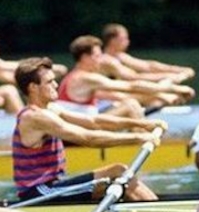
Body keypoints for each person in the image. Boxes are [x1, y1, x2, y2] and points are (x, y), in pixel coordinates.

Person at [13, 56, 163, 203]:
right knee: (118, 173)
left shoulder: (51, 109)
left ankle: (152, 208)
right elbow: (87, 138)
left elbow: (94, 121)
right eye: (50, 82)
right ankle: (156, 211)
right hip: (38, 193)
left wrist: (142, 124)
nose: (56, 85)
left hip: (53, 185)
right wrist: (138, 138)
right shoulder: (34, 117)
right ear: (33, 87)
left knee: (120, 175)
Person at [58, 35, 194, 118]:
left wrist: (163, 92)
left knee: (132, 102)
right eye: (97, 56)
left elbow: (147, 67)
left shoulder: (77, 76)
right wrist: (175, 89)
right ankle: (141, 142)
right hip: (82, 129)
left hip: (87, 121)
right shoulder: (84, 78)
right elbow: (131, 85)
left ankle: (139, 135)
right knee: (130, 105)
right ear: (85, 57)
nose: (100, 60)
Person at [100, 23, 195, 83]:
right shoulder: (106, 60)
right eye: (124, 38)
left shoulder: (121, 56)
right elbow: (134, 77)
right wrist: (170, 76)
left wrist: (179, 70)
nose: (128, 41)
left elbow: (149, 66)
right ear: (113, 40)